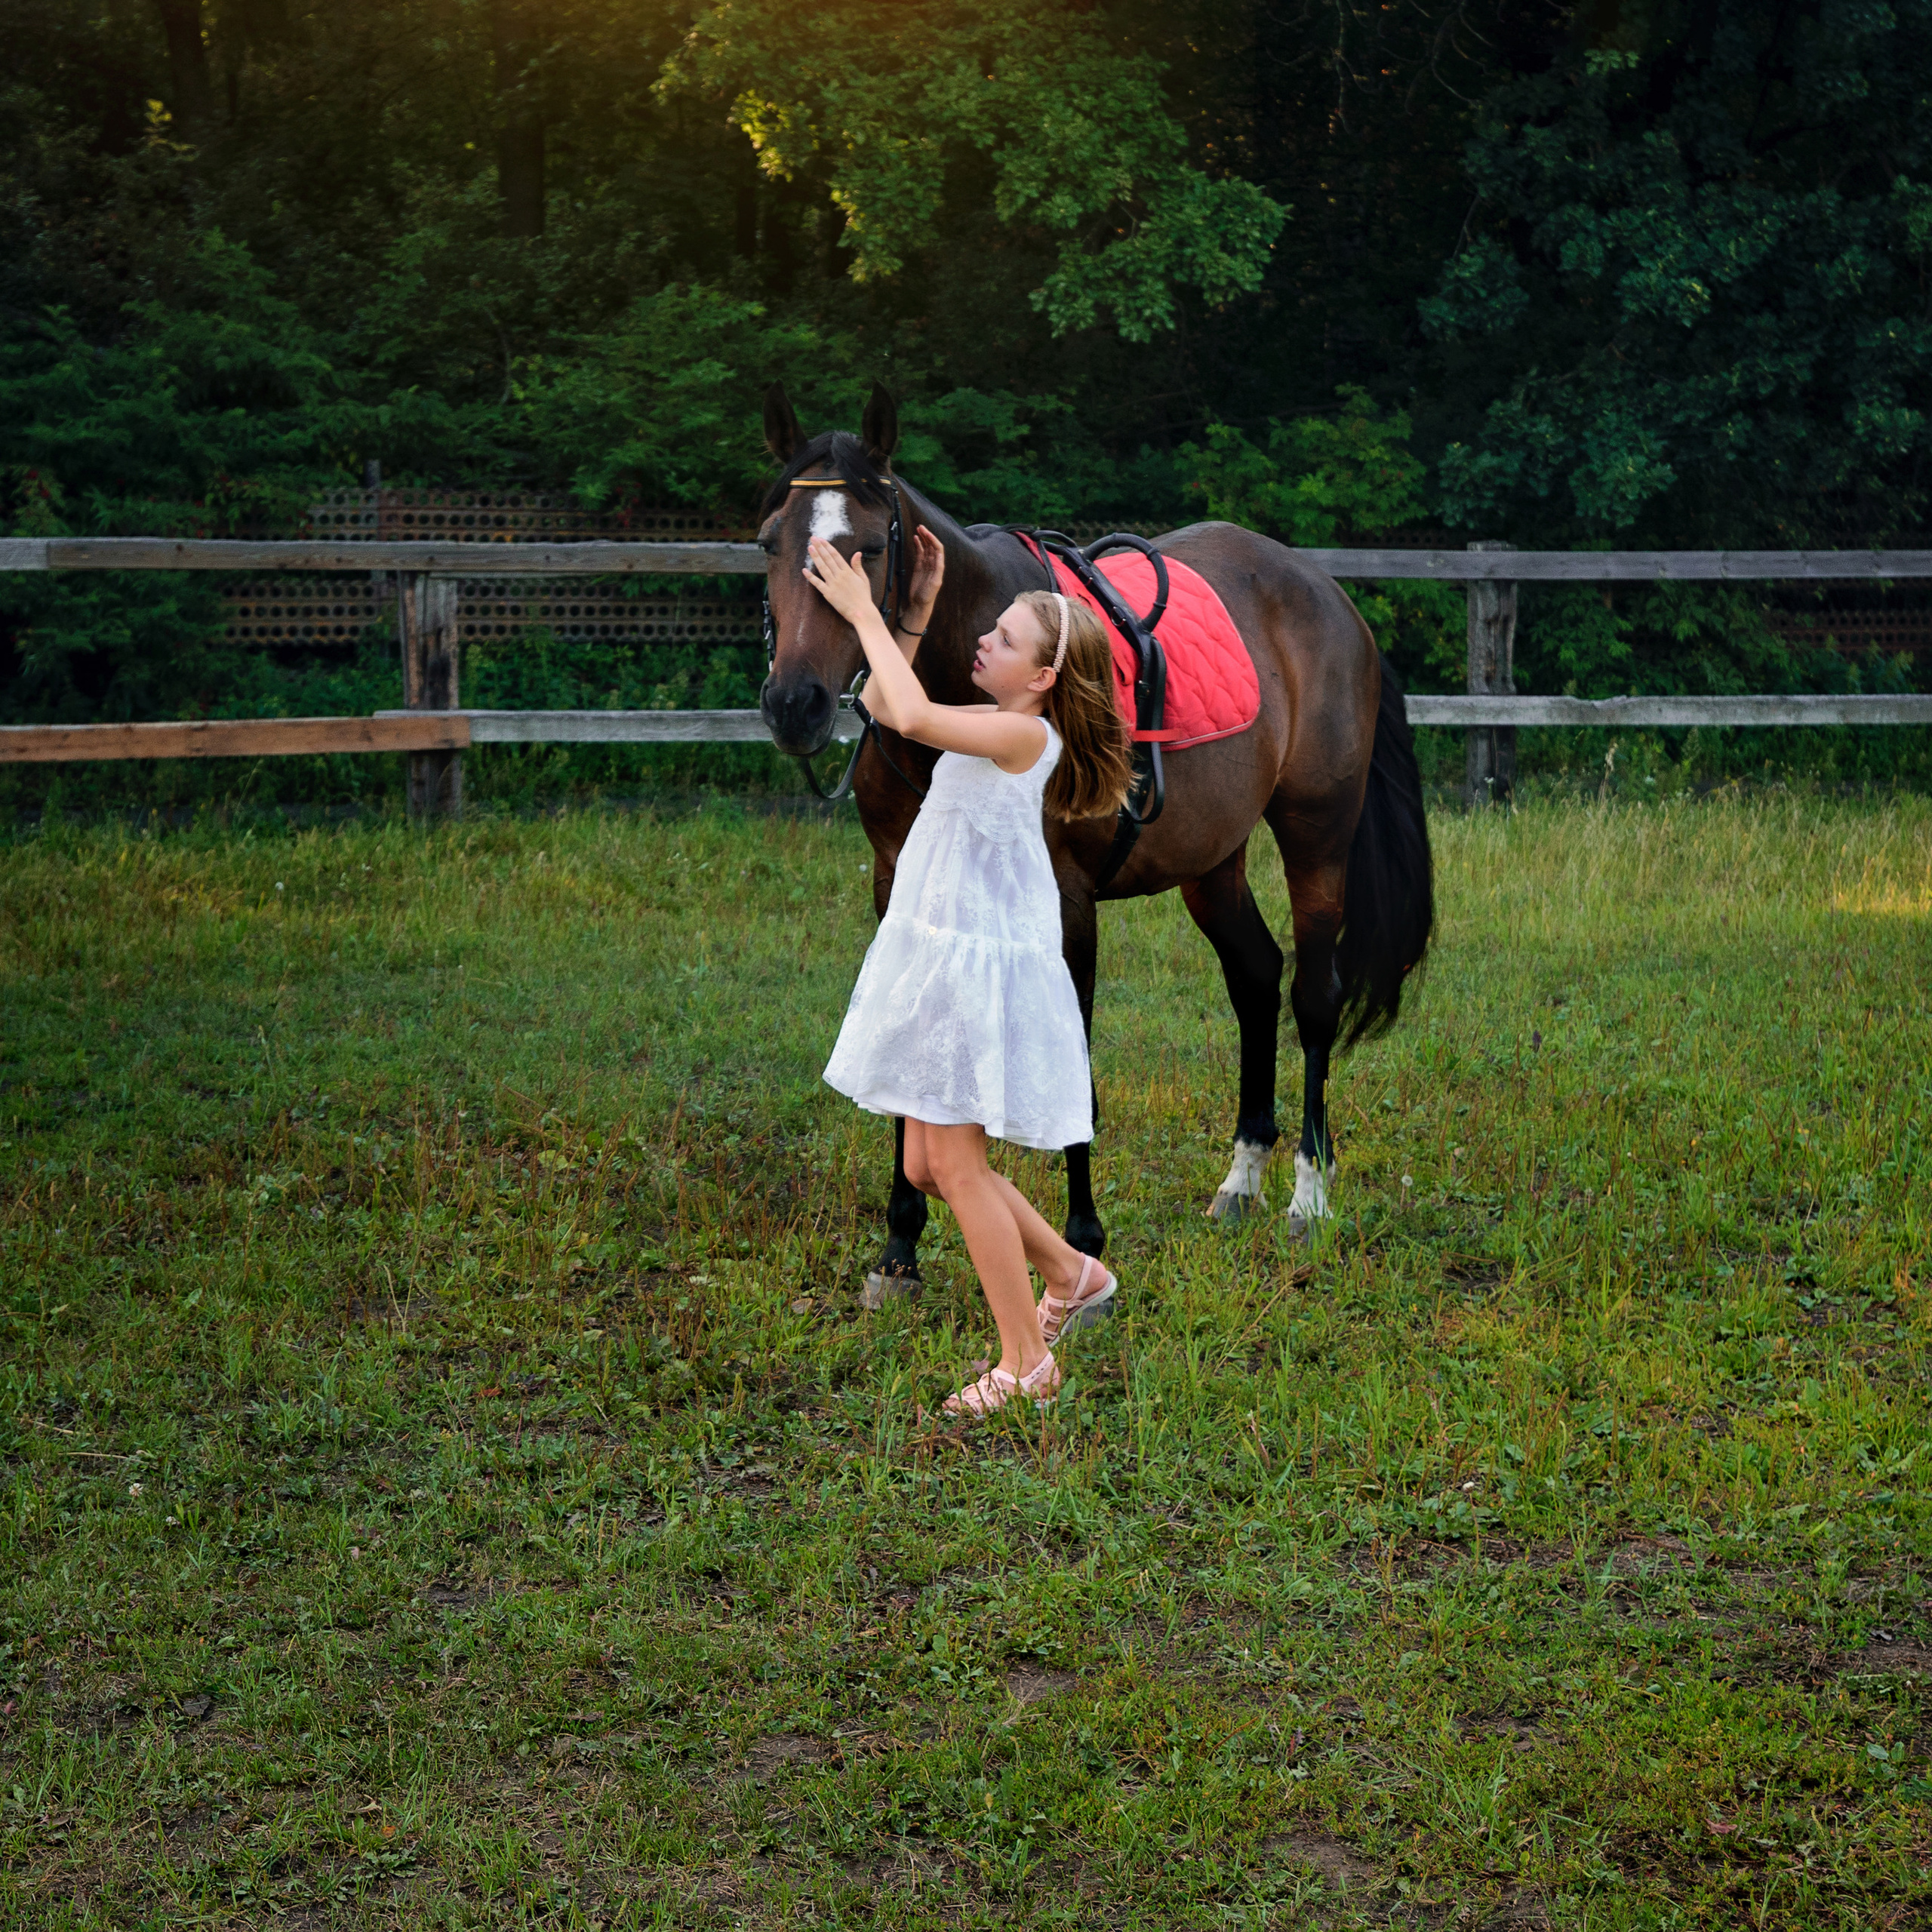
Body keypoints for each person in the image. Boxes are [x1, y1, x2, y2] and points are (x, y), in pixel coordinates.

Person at [808, 527, 1134, 1417]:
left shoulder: (1023, 736)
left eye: (1006, 639)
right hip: (943, 947)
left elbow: (912, 716)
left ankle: (1027, 1360)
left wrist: (859, 610)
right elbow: (885, 702)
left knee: (954, 1164)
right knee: (923, 1164)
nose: (984, 640)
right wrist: (911, 610)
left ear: (1042, 677)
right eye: (990, 628)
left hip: (974, 962)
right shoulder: (1001, 722)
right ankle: (1071, 1271)